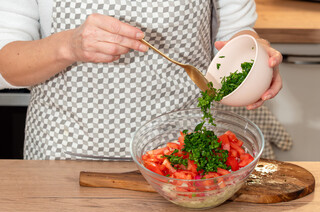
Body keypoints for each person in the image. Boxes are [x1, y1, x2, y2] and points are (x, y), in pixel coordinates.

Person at [0, 0, 291, 160]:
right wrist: (69, 46)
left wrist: (256, 64)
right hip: (62, 157)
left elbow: (239, 34)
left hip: (186, 159)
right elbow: (8, 64)